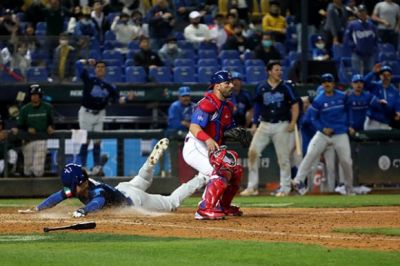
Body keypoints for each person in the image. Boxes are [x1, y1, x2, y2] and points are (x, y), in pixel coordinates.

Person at [17, 139, 205, 217]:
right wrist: (37, 209)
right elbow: (58, 196)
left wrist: (83, 211)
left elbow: (97, 202)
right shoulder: (80, 185)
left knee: (171, 203)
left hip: (135, 201)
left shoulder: (97, 191)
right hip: (124, 190)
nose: (70, 190)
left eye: (72, 186)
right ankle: (150, 163)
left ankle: (202, 177)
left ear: (81, 183)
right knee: (143, 178)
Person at [182, 70, 242, 219]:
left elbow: (227, 129)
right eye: (227, 83)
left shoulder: (227, 106)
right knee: (220, 171)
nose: (231, 86)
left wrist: (236, 133)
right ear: (217, 86)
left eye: (231, 82)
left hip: (210, 146)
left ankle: (223, 206)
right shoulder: (207, 103)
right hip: (196, 145)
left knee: (236, 170)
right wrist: (208, 139)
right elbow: (194, 127)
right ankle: (204, 209)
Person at [241, 61, 299, 197]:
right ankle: (252, 187)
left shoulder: (286, 87)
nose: (280, 72)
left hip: (281, 125)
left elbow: (295, 105)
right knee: (252, 153)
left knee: (283, 158)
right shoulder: (261, 87)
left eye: (280, 70)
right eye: (276, 70)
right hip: (265, 125)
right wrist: (254, 123)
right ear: (269, 71)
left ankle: (285, 188)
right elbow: (257, 107)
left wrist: (293, 122)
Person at [292, 73, 354, 196]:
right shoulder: (318, 100)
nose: (327, 83)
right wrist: (322, 128)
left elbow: (349, 110)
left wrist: (349, 125)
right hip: (323, 134)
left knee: (346, 161)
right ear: (322, 84)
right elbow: (313, 118)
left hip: (340, 133)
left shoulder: (343, 97)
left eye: (329, 81)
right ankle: (298, 181)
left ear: (333, 84)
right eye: (324, 82)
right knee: (310, 155)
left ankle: (349, 188)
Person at [75, 58, 133, 175]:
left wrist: (127, 99)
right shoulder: (89, 79)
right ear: (95, 69)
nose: (100, 69)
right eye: (98, 67)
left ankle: (96, 166)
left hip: (100, 113)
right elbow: (78, 64)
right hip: (86, 112)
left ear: (105, 70)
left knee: (97, 141)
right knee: (85, 141)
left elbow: (118, 100)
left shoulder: (110, 86)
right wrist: (86, 62)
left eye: (102, 67)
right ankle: (83, 167)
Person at [11, 84, 54, 177]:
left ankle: (39, 188)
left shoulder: (47, 107)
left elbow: (51, 122)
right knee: (28, 168)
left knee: (38, 170)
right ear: (30, 96)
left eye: (37, 94)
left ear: (40, 95)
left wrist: (50, 127)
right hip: (28, 140)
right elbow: (20, 125)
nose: (35, 96)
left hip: (41, 139)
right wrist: (27, 129)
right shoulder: (25, 109)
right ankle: (27, 189)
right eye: (33, 94)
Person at [344, 4, 378, 75]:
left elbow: (376, 38)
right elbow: (347, 38)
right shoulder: (352, 24)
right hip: (357, 53)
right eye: (360, 12)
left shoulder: (371, 25)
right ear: (358, 13)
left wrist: (373, 48)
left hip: (369, 54)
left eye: (364, 12)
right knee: (356, 73)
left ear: (366, 13)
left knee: (369, 74)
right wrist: (354, 48)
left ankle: (367, 86)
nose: (362, 14)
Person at [363, 64, 399, 129]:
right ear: (380, 76)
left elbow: (397, 104)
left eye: (388, 75)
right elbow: (363, 84)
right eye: (384, 75)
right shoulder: (374, 85)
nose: (386, 77)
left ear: (391, 76)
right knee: (371, 139)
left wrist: (398, 112)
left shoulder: (395, 91)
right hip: (372, 121)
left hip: (386, 122)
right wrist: (372, 73)